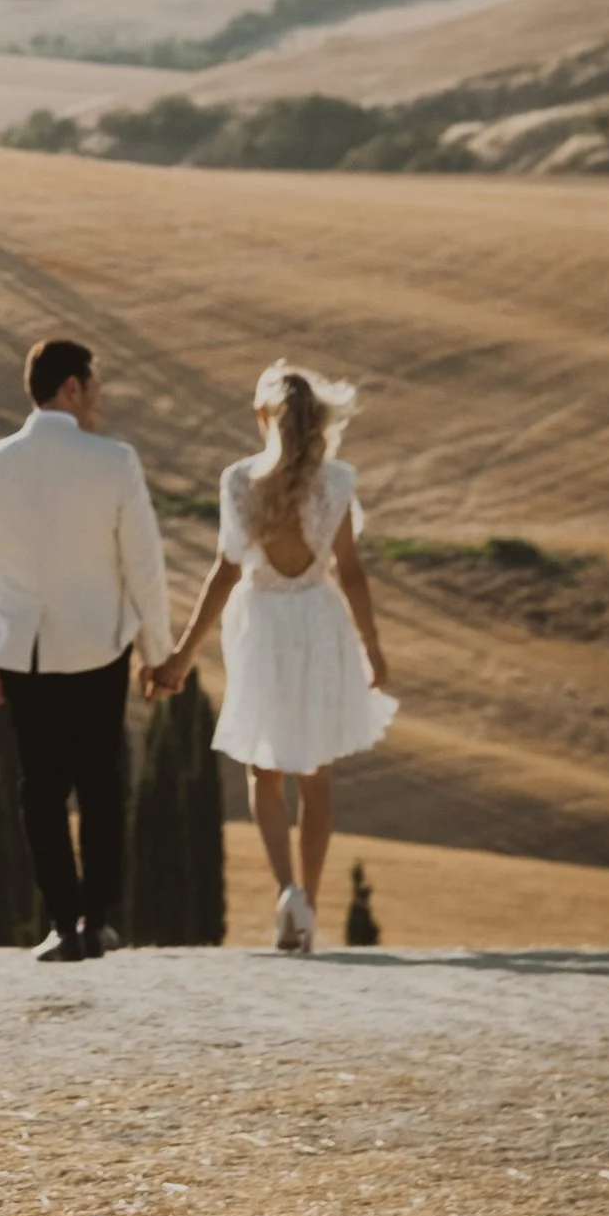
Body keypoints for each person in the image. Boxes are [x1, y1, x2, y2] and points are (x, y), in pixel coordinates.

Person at [147, 360, 393, 952]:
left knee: (265, 768)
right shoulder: (337, 482)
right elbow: (352, 575)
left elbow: (224, 574)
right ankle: (308, 904)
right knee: (318, 774)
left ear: (263, 416)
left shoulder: (238, 481)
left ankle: (289, 892)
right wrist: (373, 651)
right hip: (319, 622)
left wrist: (182, 654)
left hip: (261, 626)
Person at [0, 336, 171, 961]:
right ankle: (99, 920)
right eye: (93, 385)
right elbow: (144, 567)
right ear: (70, 388)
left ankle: (62, 922)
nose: (98, 398)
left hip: (24, 649)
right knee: (103, 783)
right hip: (101, 645)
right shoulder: (115, 462)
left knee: (40, 788)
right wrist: (157, 650)